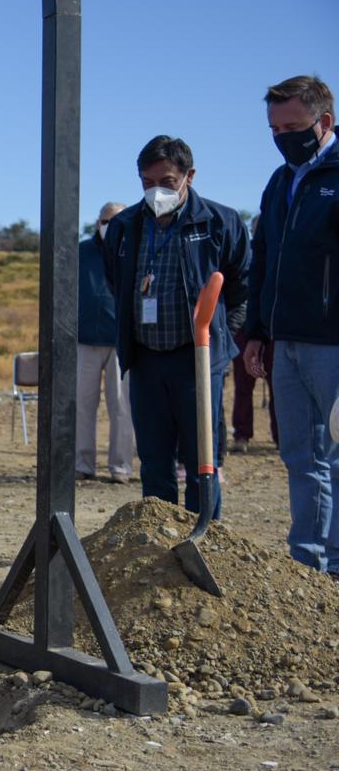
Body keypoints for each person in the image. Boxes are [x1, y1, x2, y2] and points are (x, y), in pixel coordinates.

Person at [103, 136, 249, 517]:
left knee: (202, 459)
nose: (156, 191)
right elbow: (115, 281)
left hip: (197, 360)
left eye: (166, 182)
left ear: (189, 176)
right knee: (154, 459)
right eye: (146, 182)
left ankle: (204, 540)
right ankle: (159, 539)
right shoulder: (125, 226)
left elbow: (242, 285)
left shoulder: (219, 222)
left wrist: (222, 334)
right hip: (146, 358)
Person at [244, 75, 338, 579]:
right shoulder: (280, 182)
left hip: (333, 345)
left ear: (323, 122)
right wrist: (257, 331)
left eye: (293, 127)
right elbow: (263, 260)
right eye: (275, 129)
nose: (283, 138)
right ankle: (307, 564)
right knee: (301, 456)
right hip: (286, 342)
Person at [76, 201, 133, 484]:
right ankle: (82, 464)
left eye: (115, 220)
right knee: (82, 404)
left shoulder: (132, 249)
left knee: (121, 406)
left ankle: (121, 466)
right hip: (84, 340)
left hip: (120, 341)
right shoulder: (81, 252)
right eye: (105, 219)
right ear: (97, 222)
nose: (108, 225)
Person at [230, 217, 277, 453]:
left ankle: (280, 436)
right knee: (242, 386)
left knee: (278, 387)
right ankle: (241, 435)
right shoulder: (243, 256)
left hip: (275, 333)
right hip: (244, 331)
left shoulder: (280, 254)